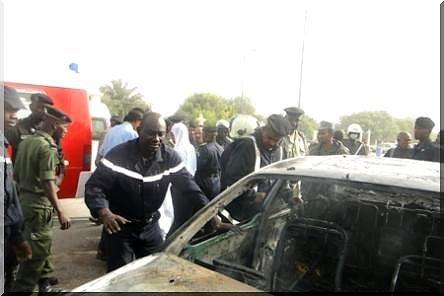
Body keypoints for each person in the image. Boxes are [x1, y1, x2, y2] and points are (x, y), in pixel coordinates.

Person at [84, 112, 212, 272]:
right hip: (121, 229)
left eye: (161, 134)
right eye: (151, 133)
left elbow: (191, 188)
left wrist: (211, 215)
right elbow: (94, 187)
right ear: (139, 131)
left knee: (155, 274)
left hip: (150, 228)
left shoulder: (169, 158)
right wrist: (104, 212)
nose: (157, 139)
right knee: (120, 279)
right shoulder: (118, 155)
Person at [12, 105, 72, 293]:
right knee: (35, 256)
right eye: (65, 126)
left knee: (39, 246)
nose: (67, 130)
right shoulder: (48, 148)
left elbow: (16, 175)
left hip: (24, 203)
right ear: (54, 124)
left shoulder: (26, 142)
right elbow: (47, 184)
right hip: (38, 206)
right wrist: (61, 211)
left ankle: (45, 285)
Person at [221, 114, 292, 222]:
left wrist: (288, 195)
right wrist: (254, 196)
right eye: (269, 138)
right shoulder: (247, 145)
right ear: (264, 129)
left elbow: (281, 180)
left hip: (262, 215)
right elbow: (233, 181)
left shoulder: (280, 150)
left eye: (276, 140)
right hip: (238, 216)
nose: (272, 143)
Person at [2, 85, 32, 293]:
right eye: (8, 108)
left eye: (17, 110)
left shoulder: (3, 144)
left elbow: (8, 192)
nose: (15, 115)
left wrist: (17, 236)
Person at [5, 93, 54, 162]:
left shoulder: (51, 129)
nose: (45, 111)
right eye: (41, 107)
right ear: (31, 107)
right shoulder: (17, 128)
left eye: (47, 109)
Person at [195, 126, 224, 200]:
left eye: (203, 133)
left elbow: (198, 167)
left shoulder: (205, 149)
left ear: (208, 134)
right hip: (217, 182)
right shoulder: (221, 148)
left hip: (205, 184)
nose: (203, 136)